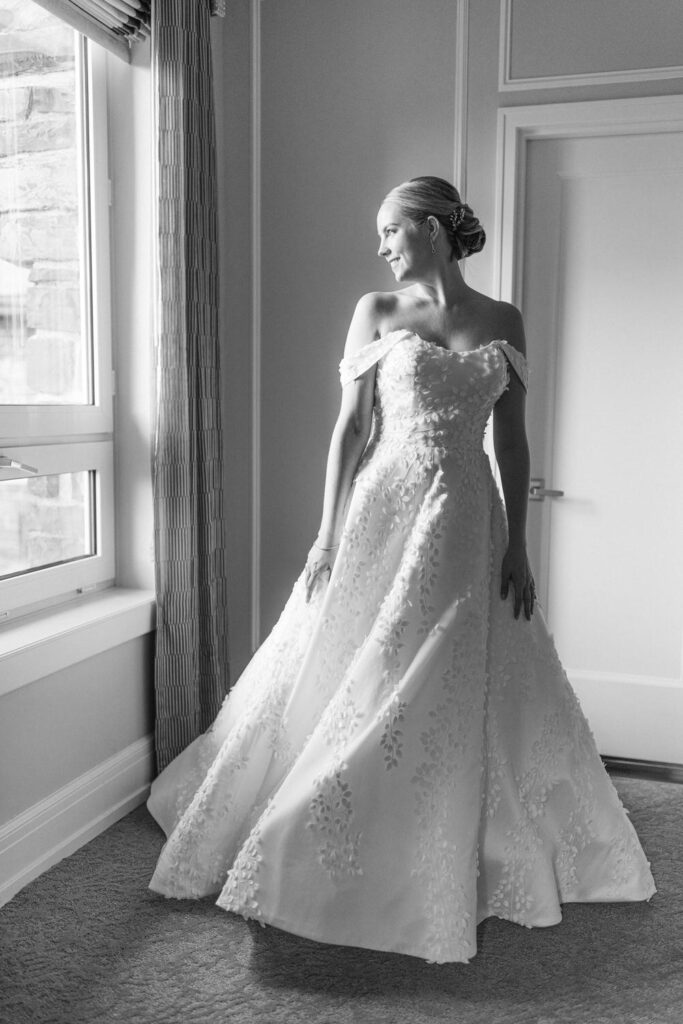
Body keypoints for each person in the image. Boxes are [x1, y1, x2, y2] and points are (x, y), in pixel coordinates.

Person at [147, 175, 655, 964]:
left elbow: (511, 442)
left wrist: (518, 541)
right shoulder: (376, 313)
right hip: (385, 508)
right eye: (380, 235)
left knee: (449, 668)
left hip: (466, 522)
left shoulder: (503, 319)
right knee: (363, 657)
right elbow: (349, 431)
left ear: (432, 228)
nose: (381, 246)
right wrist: (326, 533)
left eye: (391, 230)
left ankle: (441, 830)